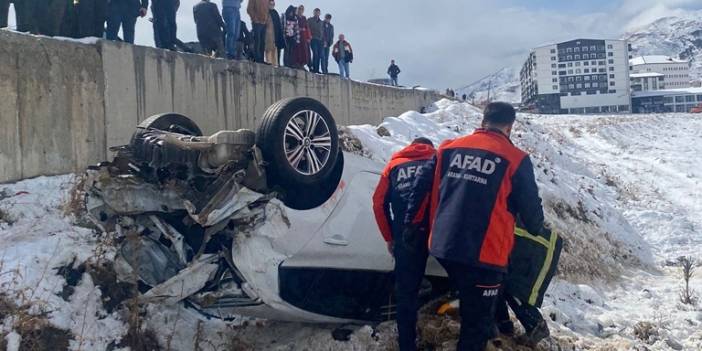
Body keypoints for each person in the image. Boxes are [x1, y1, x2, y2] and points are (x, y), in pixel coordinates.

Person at [404, 102, 549, 350]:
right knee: (475, 327)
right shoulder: (516, 159)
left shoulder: (448, 148)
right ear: (509, 126)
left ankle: (501, 327)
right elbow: (533, 218)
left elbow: (420, 188)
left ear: (483, 121)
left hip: (444, 248)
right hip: (484, 256)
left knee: (478, 301)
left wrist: (410, 225)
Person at [372, 138, 436, 351]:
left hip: (407, 236)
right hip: (438, 233)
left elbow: (378, 203)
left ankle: (407, 345)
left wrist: (390, 236)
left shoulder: (393, 165)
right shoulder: (437, 159)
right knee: (461, 282)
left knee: (406, 294)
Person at [267, 0, 284, 66]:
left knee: (276, 49)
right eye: (270, 3)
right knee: (268, 49)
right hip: (268, 34)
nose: (272, 5)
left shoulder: (275, 12)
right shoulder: (266, 11)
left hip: (276, 34)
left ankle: (276, 63)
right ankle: (269, 62)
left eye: (273, 3)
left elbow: (279, 24)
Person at [293, 5, 311, 69]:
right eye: (300, 9)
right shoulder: (295, 17)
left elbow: (307, 27)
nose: (301, 10)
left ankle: (302, 64)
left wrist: (308, 37)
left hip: (303, 36)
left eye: (302, 9)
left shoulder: (304, 18)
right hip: (297, 35)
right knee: (297, 49)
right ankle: (296, 63)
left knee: (304, 50)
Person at [307, 8, 323, 73]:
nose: (317, 13)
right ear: (313, 13)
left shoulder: (321, 22)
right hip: (313, 39)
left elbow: (323, 31)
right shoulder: (310, 20)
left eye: (318, 12)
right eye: (316, 12)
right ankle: (313, 68)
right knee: (315, 53)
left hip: (320, 40)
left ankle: (317, 69)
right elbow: (307, 28)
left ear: (319, 13)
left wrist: (323, 39)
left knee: (319, 55)